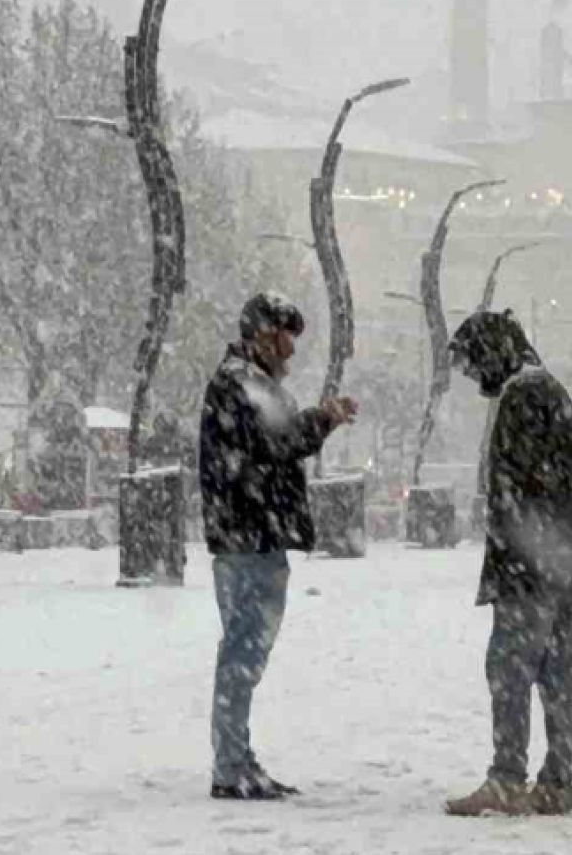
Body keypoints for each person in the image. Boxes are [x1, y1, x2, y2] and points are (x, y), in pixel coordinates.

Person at [198, 293, 357, 802]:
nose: (290, 349)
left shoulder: (249, 382)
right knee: (242, 654)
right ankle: (231, 766)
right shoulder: (240, 383)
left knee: (246, 653)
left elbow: (272, 443)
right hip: (248, 536)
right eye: (285, 337)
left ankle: (237, 760)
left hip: (252, 534)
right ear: (263, 334)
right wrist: (322, 419)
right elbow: (275, 443)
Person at [443, 310, 572, 819]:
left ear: (492, 353)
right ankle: (557, 782)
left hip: (530, 567)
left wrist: (515, 560)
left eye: (471, 362)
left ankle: (507, 778)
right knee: (558, 674)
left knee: (509, 670)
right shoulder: (549, 390)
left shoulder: (522, 396)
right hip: (562, 562)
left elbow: (520, 492)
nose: (470, 375)